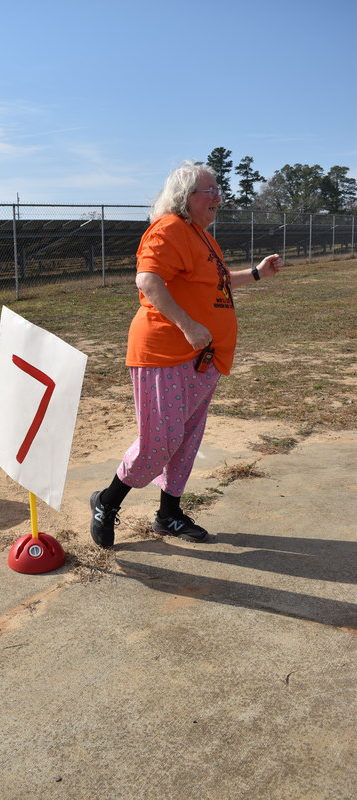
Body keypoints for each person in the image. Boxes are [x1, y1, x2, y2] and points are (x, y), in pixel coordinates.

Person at [90, 160, 283, 549]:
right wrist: (187, 325)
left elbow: (219, 283)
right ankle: (106, 502)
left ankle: (168, 513)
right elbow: (148, 279)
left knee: (186, 439)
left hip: (201, 357)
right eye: (209, 191)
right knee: (159, 440)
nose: (218, 197)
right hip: (165, 351)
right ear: (185, 197)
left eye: (217, 191)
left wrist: (258, 273)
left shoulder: (200, 235)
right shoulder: (169, 229)